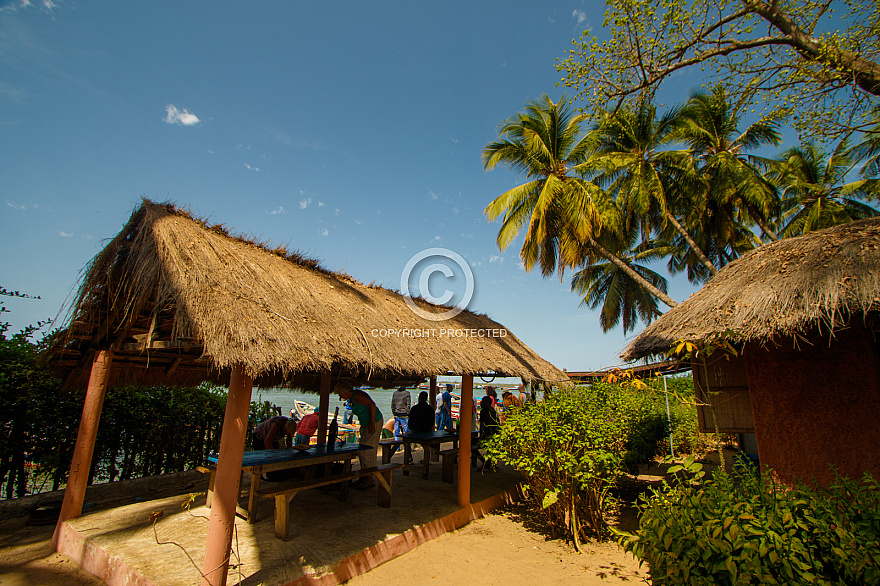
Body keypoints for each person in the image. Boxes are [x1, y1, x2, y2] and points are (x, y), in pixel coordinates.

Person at [334, 381, 383, 489]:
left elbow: (372, 405)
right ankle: (364, 476)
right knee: (362, 450)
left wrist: (371, 423)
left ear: (345, 391)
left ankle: (370, 479)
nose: (340, 396)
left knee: (367, 451)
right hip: (365, 424)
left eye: (340, 394)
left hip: (373, 423)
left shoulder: (357, 396)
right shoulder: (350, 399)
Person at [477, 395, 501, 471]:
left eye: (482, 402)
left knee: (471, 445)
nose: (481, 403)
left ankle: (485, 462)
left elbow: (482, 425)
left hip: (487, 435)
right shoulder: (493, 410)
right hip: (494, 435)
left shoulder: (484, 411)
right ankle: (491, 463)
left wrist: (481, 437)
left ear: (487, 403)